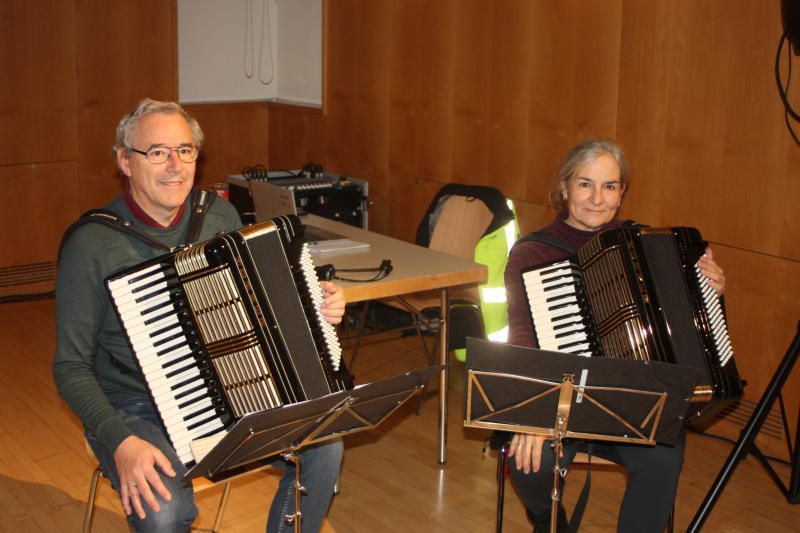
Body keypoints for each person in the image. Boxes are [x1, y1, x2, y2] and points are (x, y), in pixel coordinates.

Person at [53, 99, 345, 532]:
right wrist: (120, 442)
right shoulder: (92, 244)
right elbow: (70, 366)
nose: (175, 165)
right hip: (134, 405)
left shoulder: (219, 216)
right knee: (164, 511)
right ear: (125, 161)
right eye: (156, 152)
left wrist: (314, 304)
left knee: (325, 445)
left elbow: (255, 308)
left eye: (185, 150)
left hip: (227, 386)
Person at [503, 139, 726, 532]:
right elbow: (522, 336)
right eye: (585, 184)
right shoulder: (532, 254)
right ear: (564, 188)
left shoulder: (647, 244)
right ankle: (546, 521)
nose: (596, 198)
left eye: (610, 186)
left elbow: (691, 324)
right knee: (529, 464)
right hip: (561, 403)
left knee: (663, 457)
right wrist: (531, 415)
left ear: (622, 193)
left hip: (633, 405)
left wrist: (710, 291)